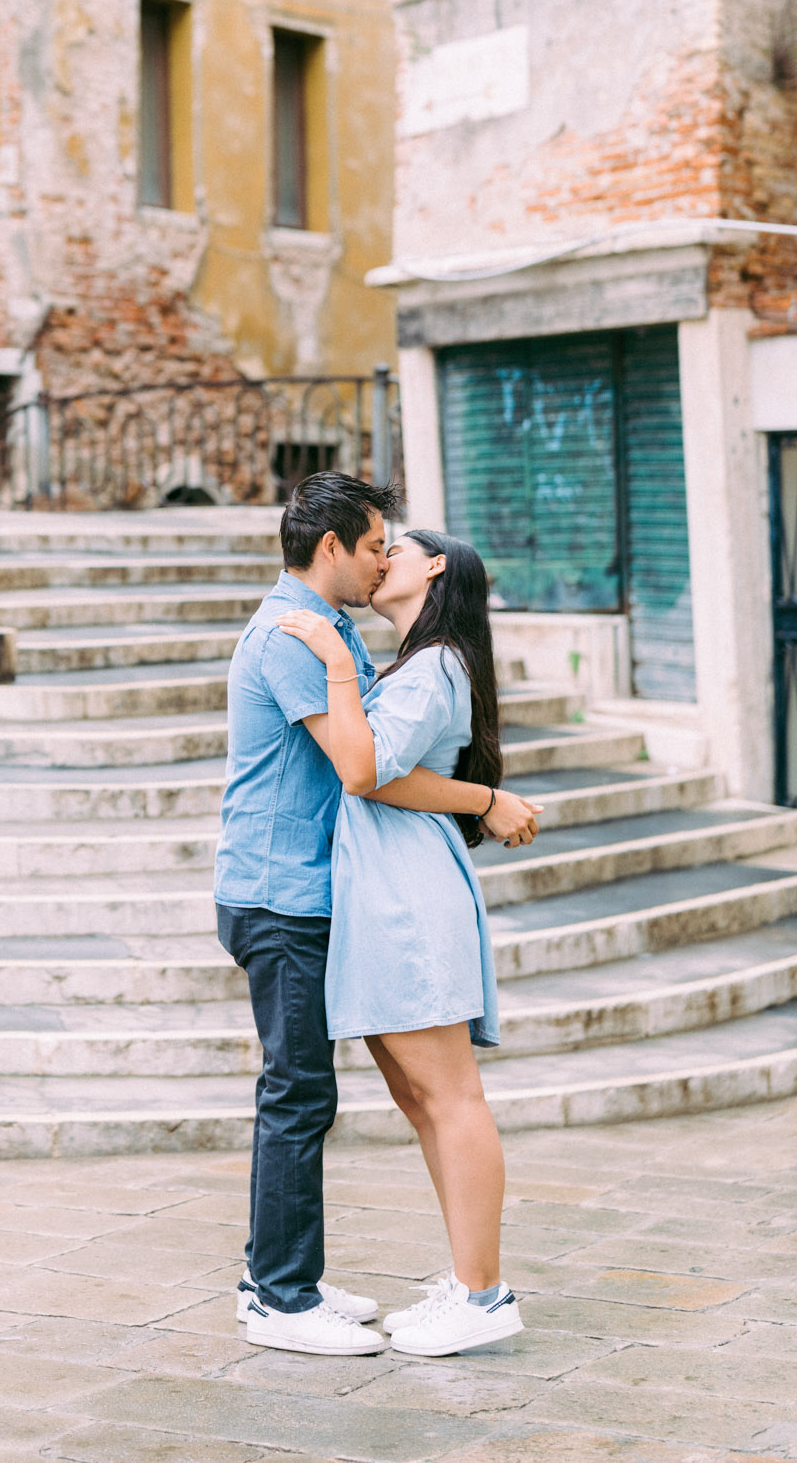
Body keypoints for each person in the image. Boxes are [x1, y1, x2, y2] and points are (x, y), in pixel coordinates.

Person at [215, 475, 539, 1358]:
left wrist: (480, 799)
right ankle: (280, 1294)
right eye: (371, 546)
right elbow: (364, 768)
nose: (380, 558)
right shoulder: (302, 636)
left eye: (394, 549)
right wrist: (483, 797)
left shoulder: (377, 647)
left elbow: (370, 767)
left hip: (364, 891)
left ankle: (447, 1291)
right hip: (287, 894)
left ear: (434, 571)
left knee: (416, 1094)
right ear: (332, 549)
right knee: (308, 1091)